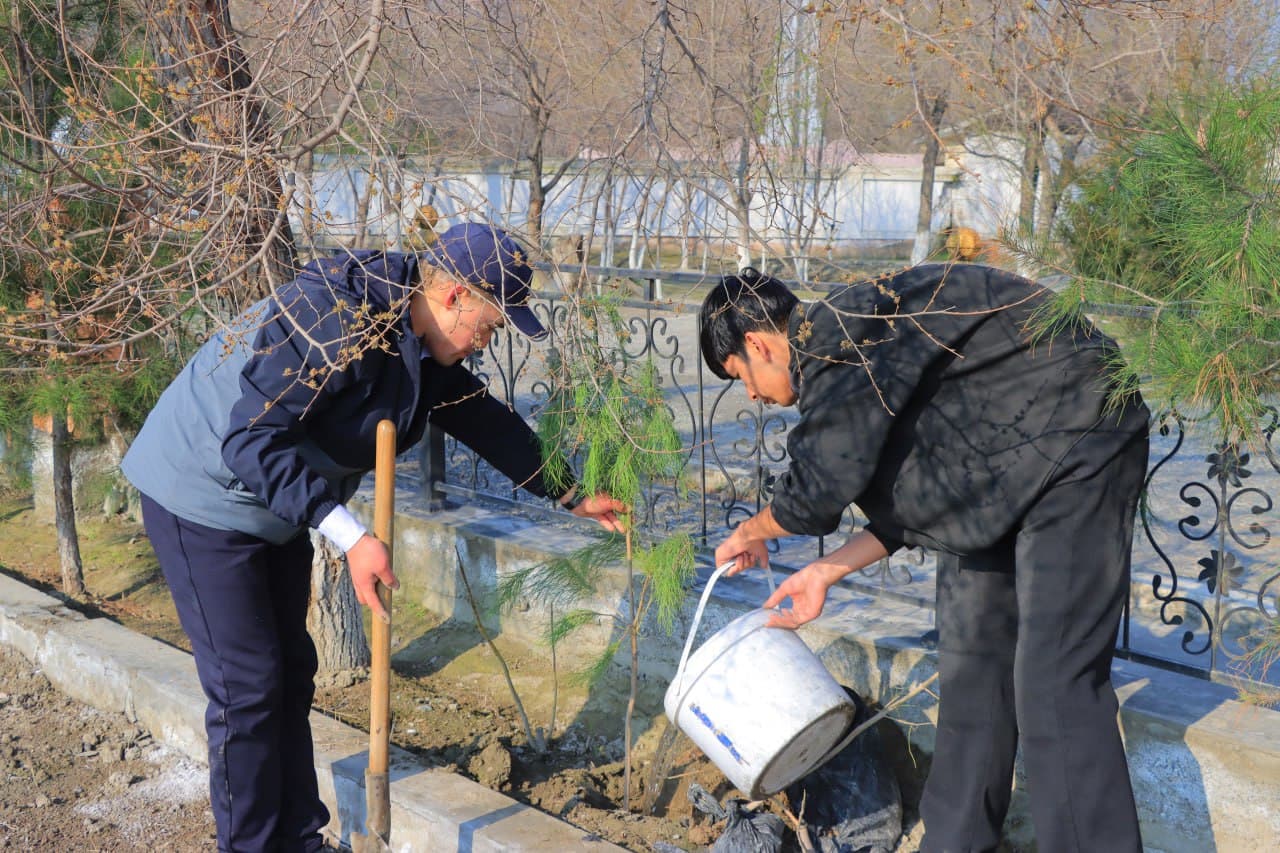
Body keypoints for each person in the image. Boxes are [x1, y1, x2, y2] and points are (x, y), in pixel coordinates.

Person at [122, 221, 625, 852]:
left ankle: (299, 839)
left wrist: (568, 492)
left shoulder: (411, 336)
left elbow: (478, 416)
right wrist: (352, 536)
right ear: (454, 298)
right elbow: (249, 441)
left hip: (274, 504)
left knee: (291, 675)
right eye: (489, 327)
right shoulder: (335, 317)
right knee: (247, 688)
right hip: (201, 495)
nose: (483, 344)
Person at [700, 263, 1150, 853]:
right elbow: (924, 501)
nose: (754, 394)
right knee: (971, 667)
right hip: (1001, 468)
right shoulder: (862, 348)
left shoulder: (840, 341)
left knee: (1053, 681)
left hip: (1080, 438)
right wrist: (824, 571)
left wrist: (753, 531)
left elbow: (814, 493)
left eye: (740, 376)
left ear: (757, 343)